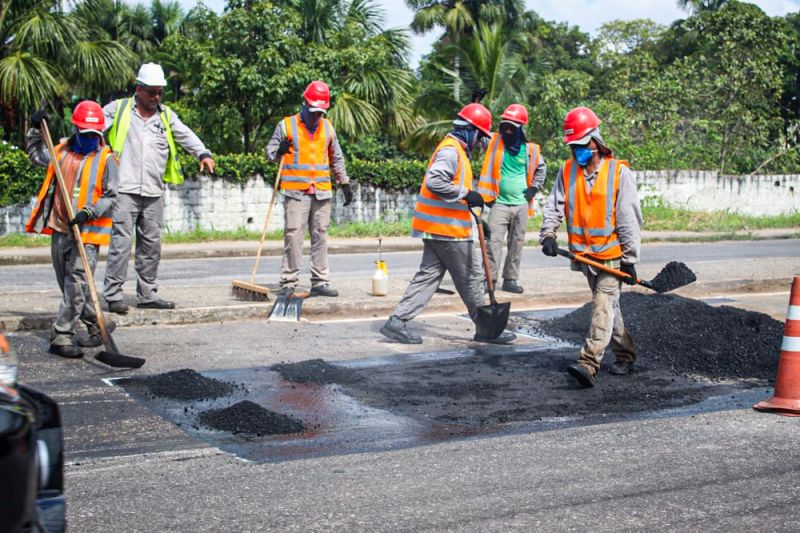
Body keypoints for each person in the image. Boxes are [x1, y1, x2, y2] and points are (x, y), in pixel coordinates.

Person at [380, 103, 516, 345]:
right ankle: (487, 329)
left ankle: (397, 322)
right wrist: (466, 193)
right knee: (471, 278)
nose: (480, 142)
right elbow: (435, 181)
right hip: (449, 233)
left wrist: (477, 220)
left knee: (428, 277)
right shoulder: (451, 151)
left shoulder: (456, 150)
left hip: (438, 230)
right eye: (480, 137)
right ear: (471, 130)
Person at [539, 106, 643, 388]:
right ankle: (626, 354)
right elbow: (554, 204)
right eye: (573, 146)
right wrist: (548, 233)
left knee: (602, 305)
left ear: (595, 142)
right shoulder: (568, 170)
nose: (576, 151)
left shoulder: (619, 174)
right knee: (609, 308)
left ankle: (589, 362)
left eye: (581, 145)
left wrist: (630, 259)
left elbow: (629, 219)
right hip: (586, 257)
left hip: (611, 257)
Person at [102, 62, 216, 314]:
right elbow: (91, 127)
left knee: (151, 246)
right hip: (124, 189)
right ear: (139, 89)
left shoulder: (165, 115)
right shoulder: (119, 109)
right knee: (121, 244)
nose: (156, 97)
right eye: (151, 91)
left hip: (154, 191)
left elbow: (185, 134)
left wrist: (203, 153)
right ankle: (112, 295)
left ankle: (147, 294)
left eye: (159, 92)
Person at [25, 101, 119, 359]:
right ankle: (96, 324)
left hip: (86, 234)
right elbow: (36, 155)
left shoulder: (106, 159)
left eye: (95, 135)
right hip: (59, 228)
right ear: (76, 129)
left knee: (75, 283)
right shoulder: (60, 152)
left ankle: (62, 334)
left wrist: (89, 211)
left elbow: (112, 197)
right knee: (68, 284)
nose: (91, 139)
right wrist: (35, 129)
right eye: (86, 134)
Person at [265, 80, 352, 297]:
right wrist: (278, 151)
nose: (316, 116)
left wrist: (344, 183)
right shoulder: (286, 125)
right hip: (296, 192)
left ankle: (320, 281)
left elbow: (336, 158)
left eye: (320, 112)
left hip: (322, 190)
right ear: (304, 103)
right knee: (294, 235)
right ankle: (288, 281)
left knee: (320, 235)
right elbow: (269, 153)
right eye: (313, 111)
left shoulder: (328, 127)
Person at [476, 104, 546, 294]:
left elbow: (541, 169)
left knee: (517, 243)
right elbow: (477, 130)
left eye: (511, 127)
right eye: (504, 126)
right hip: (498, 202)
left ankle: (511, 279)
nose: (507, 130)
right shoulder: (493, 141)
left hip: (521, 204)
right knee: (493, 243)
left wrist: (534, 188)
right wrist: (475, 104)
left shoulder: (530, 149)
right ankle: (488, 279)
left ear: (520, 128)